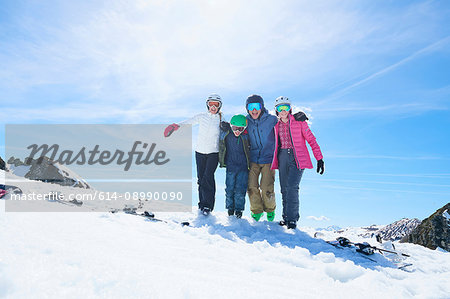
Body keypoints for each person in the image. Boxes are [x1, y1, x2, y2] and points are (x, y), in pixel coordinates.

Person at [164, 94, 223, 216]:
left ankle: (208, 206)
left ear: (219, 106)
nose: (213, 106)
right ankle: (202, 204)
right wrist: (174, 126)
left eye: (216, 104)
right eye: (211, 104)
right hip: (200, 152)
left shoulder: (221, 120)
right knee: (201, 178)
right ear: (207, 105)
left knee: (208, 177)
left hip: (213, 153)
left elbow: (232, 130)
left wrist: (228, 128)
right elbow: (188, 122)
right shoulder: (201, 117)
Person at [270, 96, 324, 229]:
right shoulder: (275, 125)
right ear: (276, 110)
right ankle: (286, 218)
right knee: (284, 188)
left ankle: (292, 219)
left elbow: (311, 139)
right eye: (280, 108)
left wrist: (319, 158)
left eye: (286, 107)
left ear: (290, 109)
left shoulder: (299, 122)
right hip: (282, 156)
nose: (283, 111)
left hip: (297, 157)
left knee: (292, 187)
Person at [245, 94, 279, 222]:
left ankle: (270, 210)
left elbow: (285, 123)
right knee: (251, 186)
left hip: (268, 159)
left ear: (262, 107)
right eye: (250, 107)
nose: (254, 110)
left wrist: (296, 117)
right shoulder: (246, 120)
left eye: (257, 106)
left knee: (266, 187)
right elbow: (235, 127)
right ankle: (257, 211)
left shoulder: (271, 120)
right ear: (247, 108)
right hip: (253, 158)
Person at [218, 115, 250, 219]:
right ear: (231, 126)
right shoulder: (226, 133)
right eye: (235, 128)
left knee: (240, 190)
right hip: (231, 167)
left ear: (244, 128)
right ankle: (230, 209)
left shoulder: (246, 136)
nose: (237, 131)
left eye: (240, 129)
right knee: (229, 188)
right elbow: (218, 122)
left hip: (243, 168)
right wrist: (224, 125)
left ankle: (239, 210)